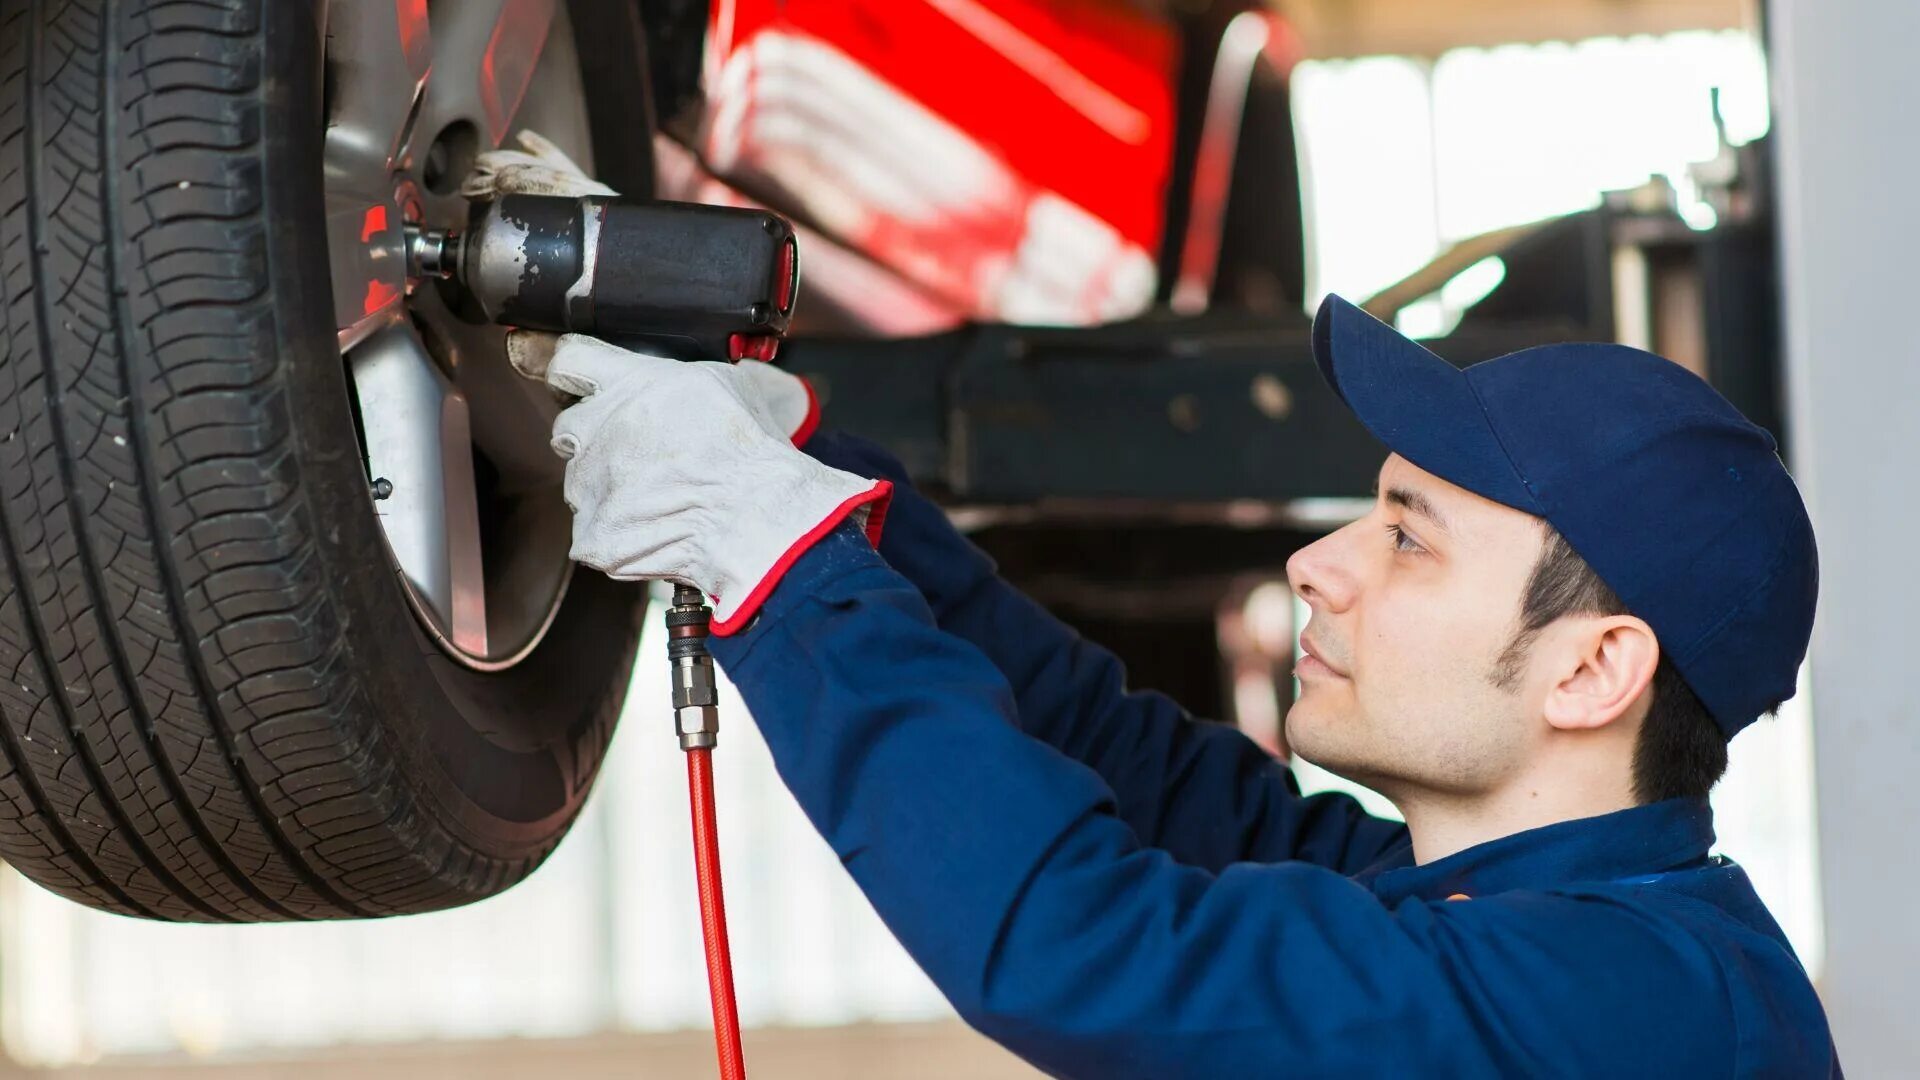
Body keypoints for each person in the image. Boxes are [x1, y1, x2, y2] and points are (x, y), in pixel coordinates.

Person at [482, 137, 1839, 1076]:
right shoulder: (1507, 907)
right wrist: (808, 469)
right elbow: (1130, 769)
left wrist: (777, 565)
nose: (1320, 566)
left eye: (1409, 542)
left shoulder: (1637, 1011)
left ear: (1595, 672)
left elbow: (1100, 955)